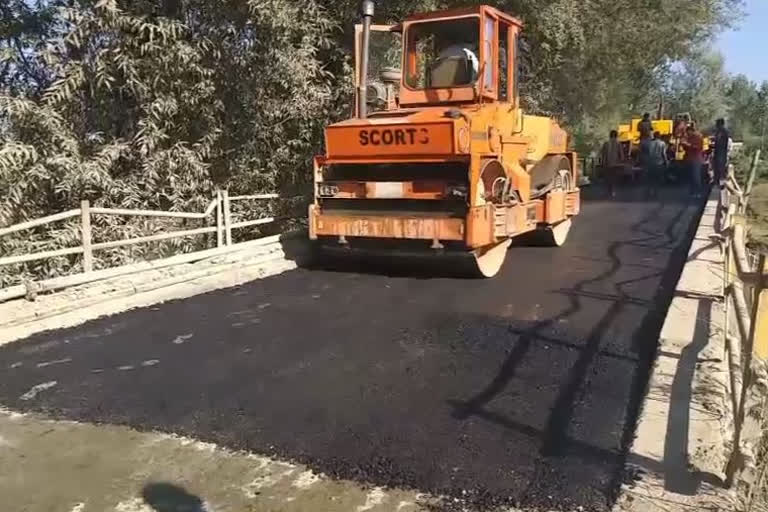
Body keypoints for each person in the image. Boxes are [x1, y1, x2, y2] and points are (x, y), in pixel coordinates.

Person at [682, 124, 704, 198]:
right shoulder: (689, 137)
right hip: (690, 159)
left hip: (696, 159)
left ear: (691, 131)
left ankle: (698, 192)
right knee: (691, 176)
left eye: (688, 132)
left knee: (696, 176)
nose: (687, 134)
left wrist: (688, 145)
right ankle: (692, 192)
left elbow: (698, 147)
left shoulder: (698, 137)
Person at [643, 131, 668, 198]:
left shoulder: (649, 143)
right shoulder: (662, 143)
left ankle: (648, 193)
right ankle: (656, 193)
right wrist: (666, 162)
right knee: (657, 179)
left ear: (654, 136)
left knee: (650, 179)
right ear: (659, 136)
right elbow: (663, 154)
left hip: (650, 163)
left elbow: (647, 154)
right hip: (659, 163)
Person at [601, 130, 625, 198]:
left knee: (608, 178)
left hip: (607, 164)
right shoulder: (618, 144)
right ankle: (613, 192)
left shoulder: (606, 143)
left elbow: (603, 154)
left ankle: (608, 192)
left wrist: (603, 163)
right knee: (614, 178)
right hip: (616, 164)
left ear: (610, 135)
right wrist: (622, 162)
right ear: (616, 135)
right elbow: (621, 155)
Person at [712, 118, 730, 187]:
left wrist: (713, 142)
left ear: (719, 124)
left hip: (721, 152)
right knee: (717, 166)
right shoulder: (721, 131)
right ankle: (717, 181)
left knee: (720, 167)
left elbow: (719, 141)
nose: (715, 125)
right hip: (719, 152)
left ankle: (721, 183)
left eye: (717, 123)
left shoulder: (722, 131)